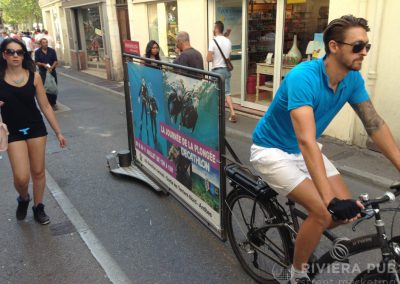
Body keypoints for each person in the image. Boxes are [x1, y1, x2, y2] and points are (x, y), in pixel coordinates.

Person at [249, 15, 400, 284]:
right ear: (333, 46)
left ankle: (308, 231)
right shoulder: (302, 77)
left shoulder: (352, 79)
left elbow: (374, 123)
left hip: (302, 149)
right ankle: (296, 275)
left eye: (367, 46)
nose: (363, 52)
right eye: (357, 46)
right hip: (272, 150)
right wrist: (329, 201)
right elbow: (306, 140)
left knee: (350, 211)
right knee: (323, 211)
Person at [0, 38, 66, 225]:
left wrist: (58, 132)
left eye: (19, 52)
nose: (15, 55)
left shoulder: (34, 76)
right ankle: (23, 198)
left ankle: (38, 207)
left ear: (24, 55)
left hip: (36, 128)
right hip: (12, 131)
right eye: (10, 52)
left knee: (38, 172)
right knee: (21, 177)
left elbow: (45, 106)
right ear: (4, 54)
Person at [207, 21, 236, 123]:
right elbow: (229, 56)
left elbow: (208, 59)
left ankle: (215, 114)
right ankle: (232, 112)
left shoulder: (213, 41)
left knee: (215, 92)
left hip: (217, 71)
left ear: (216, 29)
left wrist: (212, 56)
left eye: (214, 28)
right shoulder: (228, 41)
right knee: (227, 92)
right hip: (226, 70)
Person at [35, 38, 59, 111]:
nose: (45, 44)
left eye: (46, 42)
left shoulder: (52, 50)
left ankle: (53, 103)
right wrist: (43, 64)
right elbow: (36, 62)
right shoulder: (38, 52)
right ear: (41, 44)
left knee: (54, 87)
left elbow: (55, 60)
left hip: (52, 71)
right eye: (44, 43)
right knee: (45, 88)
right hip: (43, 72)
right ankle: (48, 103)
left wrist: (52, 67)